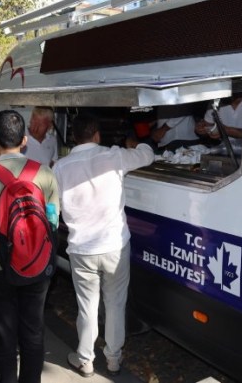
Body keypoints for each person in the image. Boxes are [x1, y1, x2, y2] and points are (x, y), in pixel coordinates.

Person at [52, 113, 154, 378]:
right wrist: (135, 143)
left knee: (87, 306)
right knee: (116, 304)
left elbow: (54, 205)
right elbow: (148, 155)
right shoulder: (115, 156)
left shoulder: (60, 167)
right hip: (114, 246)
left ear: (74, 137)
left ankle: (84, 359)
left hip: (81, 248)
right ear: (97, 135)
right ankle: (113, 359)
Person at [0, 110, 59, 383]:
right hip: (38, 266)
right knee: (33, 334)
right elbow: (53, 224)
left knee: (3, 340)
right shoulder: (45, 174)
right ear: (24, 140)